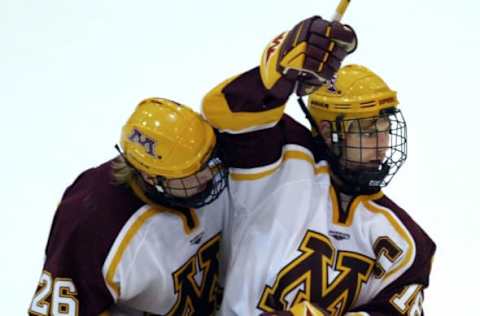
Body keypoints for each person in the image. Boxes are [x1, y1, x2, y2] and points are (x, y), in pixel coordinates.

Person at [202, 16, 436, 315]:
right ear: (328, 132)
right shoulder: (281, 158)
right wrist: (278, 72)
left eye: (384, 127)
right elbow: (222, 112)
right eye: (365, 130)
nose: (381, 142)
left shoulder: (406, 241)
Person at [28, 97, 230, 315]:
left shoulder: (207, 165)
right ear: (152, 178)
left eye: (208, 159)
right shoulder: (92, 223)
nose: (209, 173)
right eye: (194, 171)